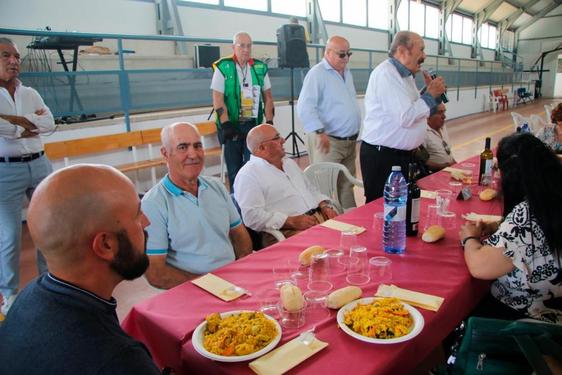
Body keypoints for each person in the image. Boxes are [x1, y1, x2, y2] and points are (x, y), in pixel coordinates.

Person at [0, 164, 163, 374]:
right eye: (137, 215)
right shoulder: (119, 360)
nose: (146, 222)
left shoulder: (29, 298)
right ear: (106, 245)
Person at [459, 133, 562, 323]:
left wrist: (470, 238)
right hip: (554, 304)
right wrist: (499, 226)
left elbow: (480, 267)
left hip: (529, 318)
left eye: (499, 170)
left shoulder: (527, 215)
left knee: (457, 315)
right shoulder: (550, 198)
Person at [141, 123, 252, 289]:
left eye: (197, 145)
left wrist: (240, 273)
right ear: (165, 153)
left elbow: (240, 236)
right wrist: (211, 286)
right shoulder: (153, 204)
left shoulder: (217, 187)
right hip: (191, 290)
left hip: (232, 283)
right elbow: (156, 274)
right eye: (183, 147)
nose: (193, 154)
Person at [0, 37, 54, 316]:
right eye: (6, 55)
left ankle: (49, 282)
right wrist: (30, 123)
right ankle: (8, 295)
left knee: (48, 226)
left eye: (16, 56)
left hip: (40, 164)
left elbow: (51, 124)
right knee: (9, 235)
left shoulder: (30, 93)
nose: (13, 61)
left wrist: (14, 122)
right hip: (5, 169)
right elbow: (33, 126)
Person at [360, 31, 446, 202]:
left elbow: (412, 107)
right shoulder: (386, 74)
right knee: (381, 208)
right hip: (384, 157)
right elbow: (406, 117)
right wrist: (430, 95)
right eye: (420, 50)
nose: (424, 56)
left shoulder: (405, 76)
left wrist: (428, 93)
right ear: (402, 51)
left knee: (400, 209)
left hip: (401, 157)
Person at [233, 124, 338, 247]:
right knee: (330, 251)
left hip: (318, 218)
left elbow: (310, 189)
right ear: (262, 148)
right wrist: (291, 221)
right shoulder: (248, 175)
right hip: (286, 231)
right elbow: (252, 217)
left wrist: (324, 205)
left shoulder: (288, 163)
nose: (283, 140)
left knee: (352, 238)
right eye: (277, 138)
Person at [297, 35, 361, 210]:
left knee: (346, 184)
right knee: (323, 187)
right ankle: (325, 228)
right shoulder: (317, 74)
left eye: (349, 54)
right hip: (328, 141)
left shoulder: (347, 73)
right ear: (328, 53)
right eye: (342, 54)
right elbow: (305, 106)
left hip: (348, 141)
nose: (346, 58)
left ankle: (351, 222)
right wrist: (319, 131)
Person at [211, 31, 274, 190]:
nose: (246, 49)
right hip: (230, 124)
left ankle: (254, 201)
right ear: (233, 47)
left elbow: (268, 98)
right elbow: (218, 99)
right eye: (242, 46)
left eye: (249, 46)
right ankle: (237, 205)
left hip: (252, 125)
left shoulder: (259, 67)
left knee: (253, 167)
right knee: (234, 171)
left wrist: (269, 123)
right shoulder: (223, 67)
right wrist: (225, 125)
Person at [422, 103, 456, 172]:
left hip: (450, 169)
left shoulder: (443, 127)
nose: (444, 116)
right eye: (440, 112)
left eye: (444, 112)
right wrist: (445, 166)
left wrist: (456, 164)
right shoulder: (423, 133)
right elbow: (423, 162)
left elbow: (448, 152)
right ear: (428, 116)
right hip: (435, 174)